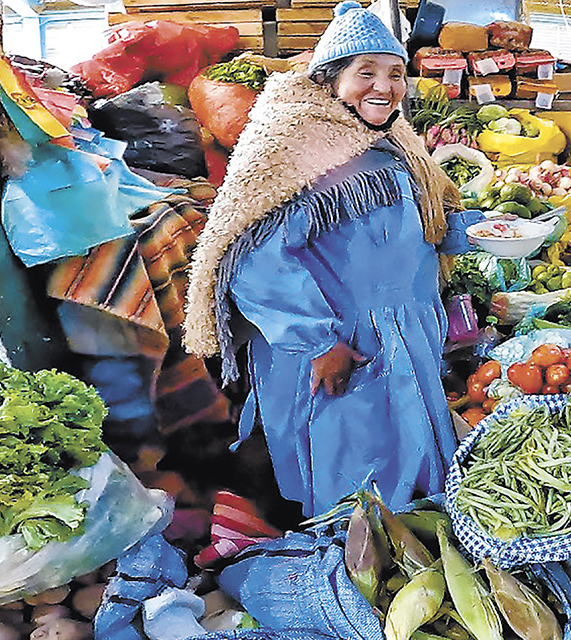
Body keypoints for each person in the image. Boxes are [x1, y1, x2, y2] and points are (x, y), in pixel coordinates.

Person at [184, 1, 467, 516]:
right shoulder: (293, 150)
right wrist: (317, 343)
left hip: (403, 325)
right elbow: (254, 262)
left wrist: (473, 233)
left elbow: (418, 218)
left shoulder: (392, 140)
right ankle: (348, 541)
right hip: (339, 336)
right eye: (367, 73)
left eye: (395, 74)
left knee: (405, 440)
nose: (384, 87)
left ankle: (409, 528)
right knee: (350, 453)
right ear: (330, 80)